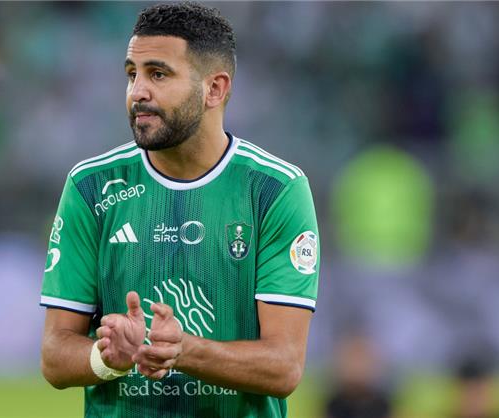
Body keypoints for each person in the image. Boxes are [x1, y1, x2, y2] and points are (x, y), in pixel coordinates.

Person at [39, 3, 320, 417]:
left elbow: (284, 366)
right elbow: (54, 355)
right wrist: (107, 357)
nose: (138, 92)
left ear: (215, 89)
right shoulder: (91, 186)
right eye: (132, 74)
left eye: (158, 74)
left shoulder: (274, 190)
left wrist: (182, 349)